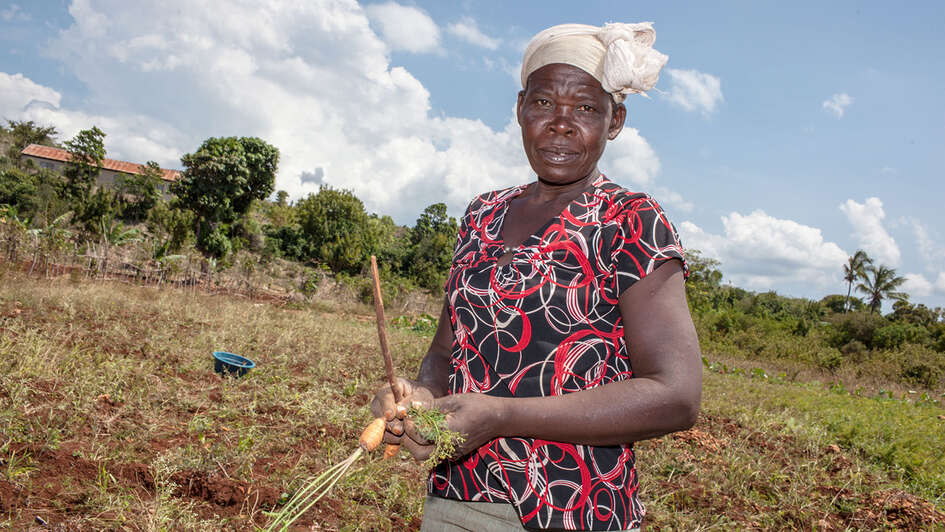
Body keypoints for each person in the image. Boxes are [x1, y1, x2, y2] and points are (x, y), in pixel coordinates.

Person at [372, 22, 702, 532]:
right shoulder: (483, 214)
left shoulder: (631, 221)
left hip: (574, 507)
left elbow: (676, 395)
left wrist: (503, 415)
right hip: (458, 497)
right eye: (545, 103)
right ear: (521, 107)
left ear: (615, 122)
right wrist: (417, 398)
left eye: (587, 109)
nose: (562, 124)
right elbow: (444, 356)